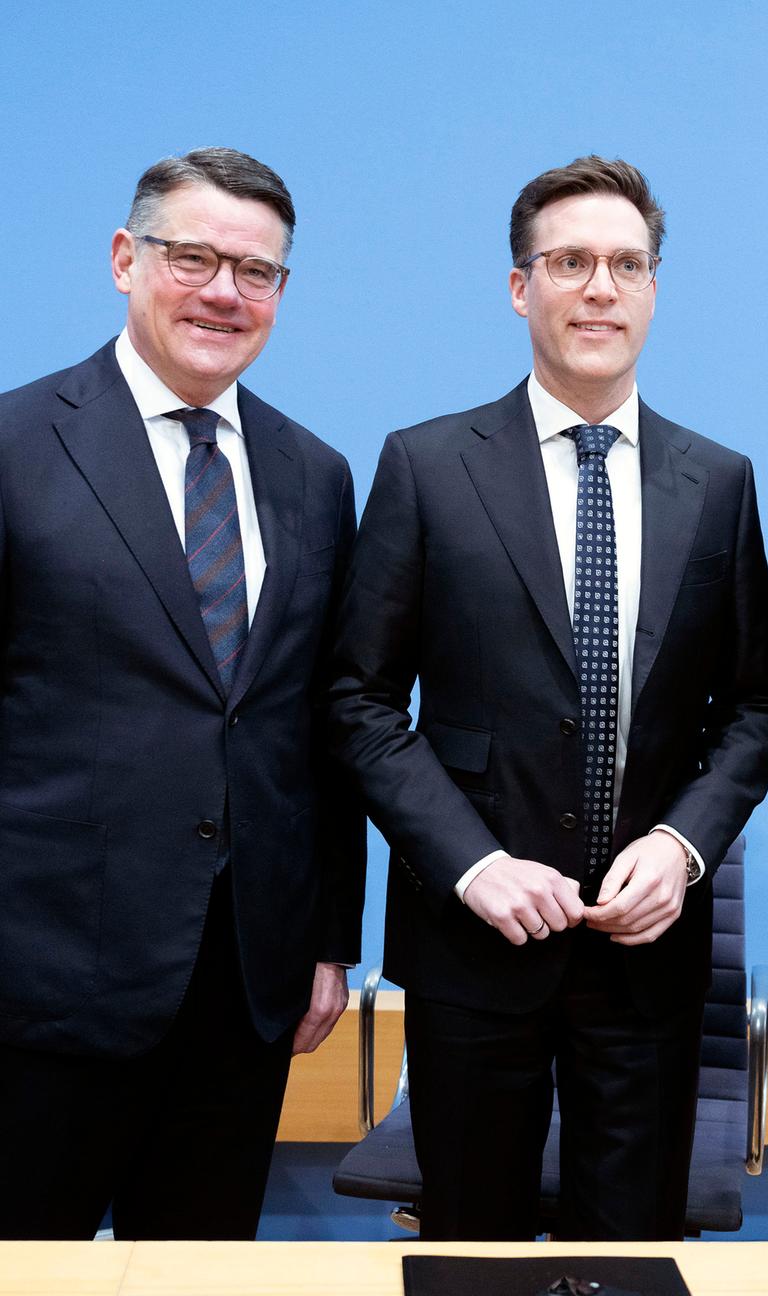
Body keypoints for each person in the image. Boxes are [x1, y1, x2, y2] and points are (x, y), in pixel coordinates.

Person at [331, 155, 768, 1240]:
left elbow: (758, 708)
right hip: (474, 953)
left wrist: (683, 849)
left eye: (627, 264)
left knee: (630, 1259)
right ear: (519, 285)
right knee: (471, 1252)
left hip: (647, 968)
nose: (600, 288)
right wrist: (473, 863)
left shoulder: (717, 482)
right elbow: (358, 699)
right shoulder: (429, 466)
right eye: (570, 261)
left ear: (654, 290)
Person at [0, 148, 365, 1240]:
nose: (223, 291)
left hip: (242, 991)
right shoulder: (16, 446)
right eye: (193, 257)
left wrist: (328, 940)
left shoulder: (316, 474)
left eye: (255, 272)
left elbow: (319, 725)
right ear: (126, 258)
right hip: (43, 985)